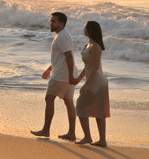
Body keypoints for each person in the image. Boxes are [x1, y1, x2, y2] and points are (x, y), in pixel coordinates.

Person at [31, 12, 77, 140]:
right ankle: (71, 133)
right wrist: (49, 70)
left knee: (49, 98)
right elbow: (60, 58)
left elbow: (69, 56)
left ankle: (46, 130)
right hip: (67, 72)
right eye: (51, 21)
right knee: (68, 101)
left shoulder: (62, 37)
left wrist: (70, 76)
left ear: (62, 23)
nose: (51, 24)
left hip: (62, 74)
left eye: (54, 21)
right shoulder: (63, 34)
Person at [70, 20, 110, 147]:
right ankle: (101, 140)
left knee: (81, 106)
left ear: (91, 30)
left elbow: (95, 67)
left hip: (97, 81)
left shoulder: (95, 47)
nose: (84, 29)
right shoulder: (88, 44)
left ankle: (89, 137)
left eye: (85, 28)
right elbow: (87, 67)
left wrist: (86, 84)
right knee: (97, 109)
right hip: (93, 79)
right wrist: (79, 79)